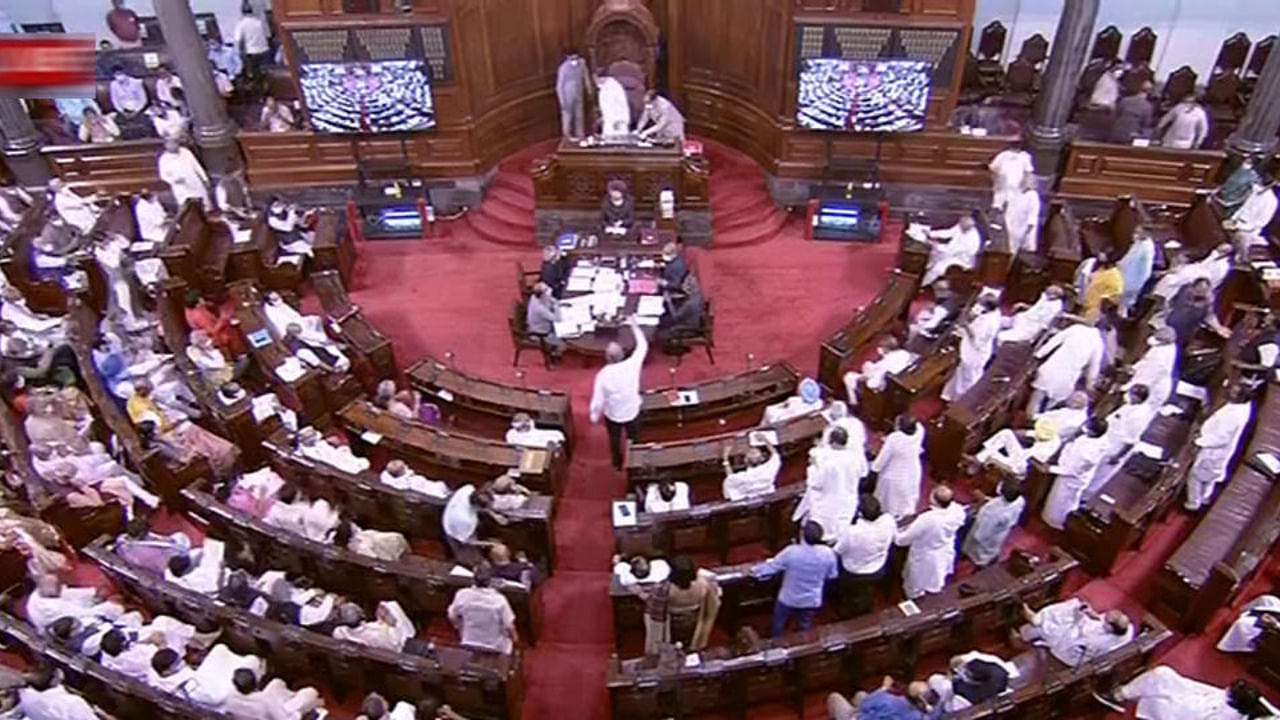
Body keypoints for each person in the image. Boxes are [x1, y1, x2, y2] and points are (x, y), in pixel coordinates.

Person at [128, 379, 239, 476]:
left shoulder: (141, 399)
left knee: (221, 446)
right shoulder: (140, 409)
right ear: (141, 390)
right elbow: (158, 431)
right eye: (148, 390)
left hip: (175, 429)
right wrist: (177, 422)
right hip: (174, 437)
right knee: (218, 450)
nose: (150, 393)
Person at [752, 521, 837, 636]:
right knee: (805, 626)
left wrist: (755, 570)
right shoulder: (828, 554)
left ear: (802, 534)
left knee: (779, 624)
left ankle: (777, 646)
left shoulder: (792, 552)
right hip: (811, 599)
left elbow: (771, 568)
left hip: (788, 598)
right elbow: (832, 575)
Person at [1093, 667, 1276, 719]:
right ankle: (1120, 694)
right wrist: (1179, 686)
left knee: (1157, 695)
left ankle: (1117, 697)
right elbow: (1199, 688)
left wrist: (1176, 696)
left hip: (1181, 714)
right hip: (1193, 698)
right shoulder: (1232, 698)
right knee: (1163, 674)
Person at [589, 316, 647, 471]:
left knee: (614, 439)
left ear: (607, 358)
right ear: (622, 353)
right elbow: (642, 346)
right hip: (632, 411)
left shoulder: (603, 375)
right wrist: (635, 326)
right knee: (634, 438)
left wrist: (594, 416)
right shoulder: (632, 364)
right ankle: (635, 461)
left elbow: (598, 401)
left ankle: (617, 463)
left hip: (613, 415)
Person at [1186, 384, 1254, 511]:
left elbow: (1221, 438)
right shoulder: (1241, 407)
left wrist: (1200, 441)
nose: (1229, 392)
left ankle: (1193, 504)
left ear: (1240, 398)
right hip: (1218, 451)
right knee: (1209, 477)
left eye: (1233, 392)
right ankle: (1205, 497)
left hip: (1214, 451)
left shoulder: (1233, 416)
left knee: (1196, 476)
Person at [894, 486, 966, 599]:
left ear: (933, 499)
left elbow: (902, 540)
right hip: (943, 551)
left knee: (915, 583)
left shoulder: (927, 519)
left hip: (924, 555)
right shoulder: (958, 511)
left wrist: (892, 529)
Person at [1017, 596, 1133, 665]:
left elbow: (1073, 637)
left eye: (1107, 619)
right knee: (1074, 605)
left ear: (1110, 627)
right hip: (1081, 636)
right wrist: (1092, 614)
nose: (1104, 617)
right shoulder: (1127, 629)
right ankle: (1038, 619)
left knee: (1051, 627)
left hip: (1068, 652)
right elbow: (1099, 621)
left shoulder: (1095, 641)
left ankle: (1024, 633)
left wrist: (1079, 618)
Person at [793, 426, 864, 537]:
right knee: (840, 531)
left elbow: (816, 483)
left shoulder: (826, 460)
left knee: (822, 532)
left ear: (833, 442)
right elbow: (863, 473)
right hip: (847, 501)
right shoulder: (856, 457)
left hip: (827, 503)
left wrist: (813, 466)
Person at [833, 495, 895, 617]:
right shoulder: (889, 521)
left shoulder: (853, 532)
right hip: (877, 568)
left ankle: (849, 611)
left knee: (849, 593)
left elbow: (838, 550)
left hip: (854, 571)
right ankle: (865, 606)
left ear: (860, 513)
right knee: (866, 589)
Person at [1041, 417, 1109, 529]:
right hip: (1067, 469)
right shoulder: (1094, 438)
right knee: (1058, 500)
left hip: (1071, 479)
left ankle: (1055, 524)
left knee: (1061, 503)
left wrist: (1051, 469)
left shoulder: (1090, 453)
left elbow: (1073, 469)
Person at [1088, 384, 1157, 494]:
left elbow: (1131, 441)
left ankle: (1084, 498)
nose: (1127, 395)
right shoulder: (1130, 406)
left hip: (1115, 448)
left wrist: (1118, 456)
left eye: (1131, 394)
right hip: (1107, 441)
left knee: (1098, 475)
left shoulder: (1139, 416)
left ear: (1138, 398)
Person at [1026, 321, 1105, 415]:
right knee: (1049, 410)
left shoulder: (1076, 328)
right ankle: (1040, 424)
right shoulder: (1098, 343)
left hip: (1051, 369)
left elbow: (1054, 341)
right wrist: (1089, 385)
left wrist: (1039, 354)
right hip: (1067, 379)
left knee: (1036, 400)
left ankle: (1029, 419)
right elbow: (1093, 369)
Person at [941, 295, 1001, 402]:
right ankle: (949, 394)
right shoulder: (993, 314)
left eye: (982, 303)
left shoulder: (989, 323)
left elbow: (976, 339)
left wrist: (965, 325)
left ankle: (963, 400)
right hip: (973, 349)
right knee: (961, 373)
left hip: (975, 353)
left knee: (969, 378)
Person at [447, 564, 517, 654]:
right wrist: (515, 639)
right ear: (490, 581)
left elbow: (452, 616)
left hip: (469, 641)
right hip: (495, 646)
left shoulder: (462, 595)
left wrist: (460, 627)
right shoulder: (499, 600)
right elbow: (509, 626)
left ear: (473, 580)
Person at [871, 415, 924, 519]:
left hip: (894, 473)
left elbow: (883, 458)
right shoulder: (920, 431)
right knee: (905, 496)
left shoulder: (895, 438)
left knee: (889, 500)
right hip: (912, 470)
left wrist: (874, 469)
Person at [962, 482, 1025, 567]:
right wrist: (985, 498)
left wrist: (977, 536)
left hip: (986, 534)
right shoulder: (1020, 500)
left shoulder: (997, 514)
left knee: (980, 553)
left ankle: (980, 565)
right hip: (1000, 532)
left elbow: (983, 532)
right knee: (992, 549)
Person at [223, 667, 323, 720]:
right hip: (288, 715)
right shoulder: (272, 691)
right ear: (256, 679)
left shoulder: (230, 701)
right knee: (310, 692)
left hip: (282, 709)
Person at [666, 555, 720, 651]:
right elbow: (714, 601)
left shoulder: (667, 589)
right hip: (693, 619)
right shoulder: (703, 584)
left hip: (673, 622)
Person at [442, 483, 504, 564]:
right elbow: (467, 541)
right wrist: (491, 544)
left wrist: (494, 515)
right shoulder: (465, 520)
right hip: (455, 534)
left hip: (455, 516)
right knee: (474, 560)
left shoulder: (468, 489)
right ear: (477, 507)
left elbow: (484, 503)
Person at [843, 335, 915, 404]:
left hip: (884, 384)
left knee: (848, 377)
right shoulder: (904, 353)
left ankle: (853, 402)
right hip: (898, 378)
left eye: (882, 348)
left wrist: (867, 368)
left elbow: (870, 380)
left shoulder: (886, 362)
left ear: (886, 349)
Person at [826, 676, 936, 720]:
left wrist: (884, 688)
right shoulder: (922, 717)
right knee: (860, 694)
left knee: (834, 697)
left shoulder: (889, 699)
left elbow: (865, 705)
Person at [1166, 277, 1232, 350]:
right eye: (1198, 291)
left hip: (1185, 334)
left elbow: (1208, 315)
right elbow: (1166, 303)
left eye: (1204, 292)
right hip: (1168, 327)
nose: (1200, 294)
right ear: (1192, 287)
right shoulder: (1182, 290)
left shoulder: (1208, 299)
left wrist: (1218, 327)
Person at [920, 212, 982, 287]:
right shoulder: (961, 226)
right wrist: (931, 234)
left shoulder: (972, 238)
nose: (959, 226)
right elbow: (948, 233)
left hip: (961, 260)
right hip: (950, 252)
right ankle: (925, 272)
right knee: (933, 255)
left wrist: (936, 246)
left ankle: (923, 285)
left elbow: (953, 250)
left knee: (938, 267)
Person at [1224, 178, 1277, 261]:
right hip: (1237, 222)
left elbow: (1260, 223)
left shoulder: (1271, 201)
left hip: (1249, 230)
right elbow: (1243, 208)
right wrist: (1233, 219)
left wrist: (1239, 226)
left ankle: (1242, 260)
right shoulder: (1254, 192)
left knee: (1241, 235)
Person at [333, 600, 415, 652]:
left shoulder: (339, 632)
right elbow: (398, 641)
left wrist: (381, 619)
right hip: (394, 653)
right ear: (363, 614)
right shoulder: (378, 632)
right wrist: (393, 624)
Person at [998, 284, 1064, 345]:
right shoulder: (1046, 298)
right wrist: (1023, 305)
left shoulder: (1055, 307)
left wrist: (1036, 340)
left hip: (1029, 327)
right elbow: (1035, 309)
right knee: (999, 321)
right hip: (1021, 319)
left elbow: (1044, 324)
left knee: (1000, 336)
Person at [157, 138, 210, 209]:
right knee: (187, 207)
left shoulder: (186, 152)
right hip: (181, 187)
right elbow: (163, 176)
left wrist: (205, 178)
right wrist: (174, 180)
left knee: (204, 204)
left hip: (195, 182)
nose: (174, 145)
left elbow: (196, 165)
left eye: (175, 142)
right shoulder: (164, 159)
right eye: (171, 143)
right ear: (166, 145)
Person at [1116, 230, 1156, 314]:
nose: (1135, 234)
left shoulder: (1147, 247)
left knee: (1123, 305)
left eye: (1138, 232)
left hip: (1133, 280)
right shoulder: (1138, 244)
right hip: (1124, 276)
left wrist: (1140, 282)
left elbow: (1145, 269)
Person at [988, 141, 1034, 211]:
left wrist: (1025, 183)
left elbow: (1028, 171)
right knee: (998, 202)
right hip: (1003, 181)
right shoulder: (1003, 155)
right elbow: (993, 168)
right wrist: (996, 180)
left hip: (1017, 183)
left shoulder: (1025, 156)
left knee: (1013, 205)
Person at [555, 50, 589, 140]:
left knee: (579, 115)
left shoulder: (582, 63)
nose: (575, 60)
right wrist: (562, 101)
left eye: (576, 58)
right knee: (567, 117)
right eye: (572, 58)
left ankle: (580, 135)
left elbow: (586, 77)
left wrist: (589, 90)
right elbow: (559, 86)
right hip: (567, 95)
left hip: (579, 93)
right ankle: (567, 136)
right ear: (567, 58)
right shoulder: (563, 68)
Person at [234, 2, 271, 83]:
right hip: (264, 49)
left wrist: (240, 53)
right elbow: (267, 35)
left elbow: (238, 39)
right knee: (267, 73)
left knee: (254, 75)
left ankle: (259, 91)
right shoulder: (258, 22)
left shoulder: (241, 24)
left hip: (251, 52)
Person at [525, 282, 564, 357]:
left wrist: (552, 300)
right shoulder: (540, 309)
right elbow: (558, 319)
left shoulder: (535, 297)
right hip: (541, 334)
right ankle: (554, 355)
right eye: (547, 292)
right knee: (564, 343)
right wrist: (556, 305)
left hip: (540, 326)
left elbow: (549, 300)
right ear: (542, 295)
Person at [1081, 253, 1123, 322]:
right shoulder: (1100, 270)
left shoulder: (1115, 278)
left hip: (1095, 314)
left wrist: (1100, 315)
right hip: (1086, 307)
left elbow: (1112, 300)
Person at [1004, 174, 1041, 253]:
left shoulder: (1033, 195)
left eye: (1028, 180)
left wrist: (1030, 226)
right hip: (1013, 223)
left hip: (1023, 225)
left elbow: (1033, 212)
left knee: (1021, 248)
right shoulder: (1016, 192)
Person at [594, 72, 630, 139]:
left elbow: (621, 105)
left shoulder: (614, 87)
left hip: (617, 122)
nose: (595, 81)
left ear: (602, 78)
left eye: (596, 79)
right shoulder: (604, 87)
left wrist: (619, 120)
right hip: (609, 121)